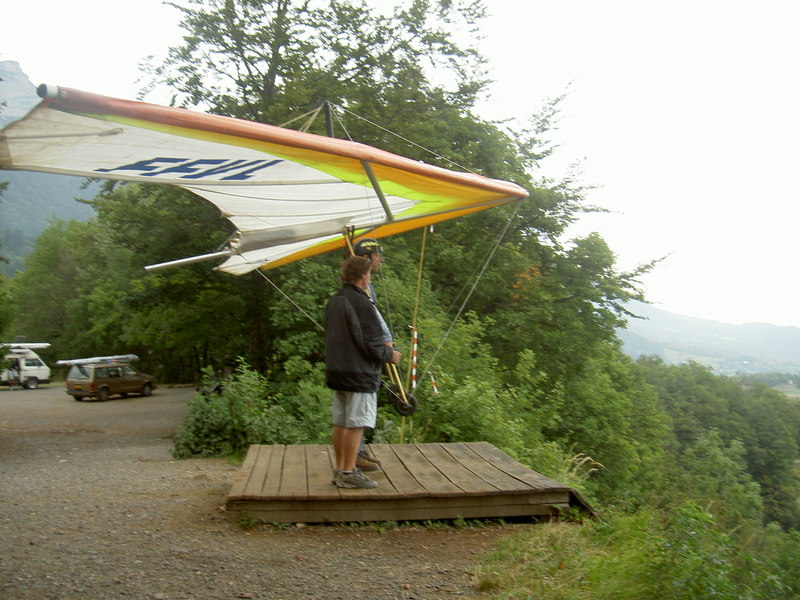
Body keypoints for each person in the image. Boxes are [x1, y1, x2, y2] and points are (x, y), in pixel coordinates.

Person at [325, 255, 401, 488]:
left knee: (341, 422)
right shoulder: (362, 303)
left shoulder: (335, 300)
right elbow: (370, 341)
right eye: (368, 273)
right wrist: (389, 354)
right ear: (362, 276)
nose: (370, 277)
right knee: (356, 423)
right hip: (359, 374)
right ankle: (348, 473)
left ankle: (340, 470)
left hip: (338, 371)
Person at [352, 238, 392, 471]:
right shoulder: (358, 289)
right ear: (366, 258)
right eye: (377, 255)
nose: (380, 260)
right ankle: (354, 456)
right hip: (364, 356)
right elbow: (370, 321)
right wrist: (385, 346)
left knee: (364, 407)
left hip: (369, 353)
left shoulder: (368, 286)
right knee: (359, 408)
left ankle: (358, 449)